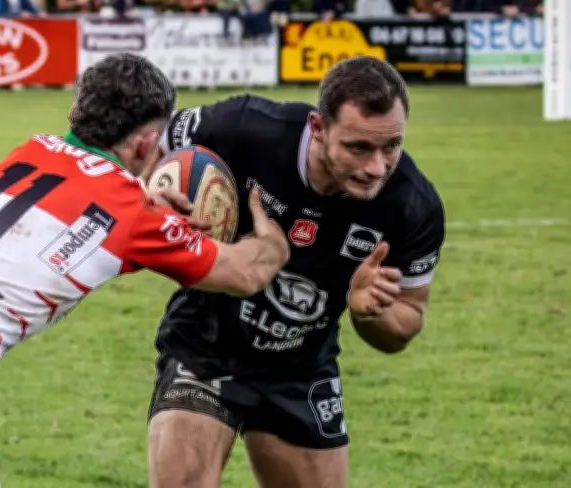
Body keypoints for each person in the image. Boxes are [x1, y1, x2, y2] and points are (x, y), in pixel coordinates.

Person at [0, 53, 289, 488]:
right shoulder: (135, 216)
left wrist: (143, 200)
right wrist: (272, 238)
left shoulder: (31, 150)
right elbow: (244, 275)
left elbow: (84, 195)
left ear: (74, 112)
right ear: (146, 143)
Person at [143, 56, 446, 488]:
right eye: (358, 148)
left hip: (302, 366)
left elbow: (408, 318)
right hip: (205, 346)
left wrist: (369, 311)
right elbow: (151, 141)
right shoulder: (245, 126)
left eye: (392, 146)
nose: (377, 167)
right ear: (318, 128)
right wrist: (152, 191)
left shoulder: (413, 206)